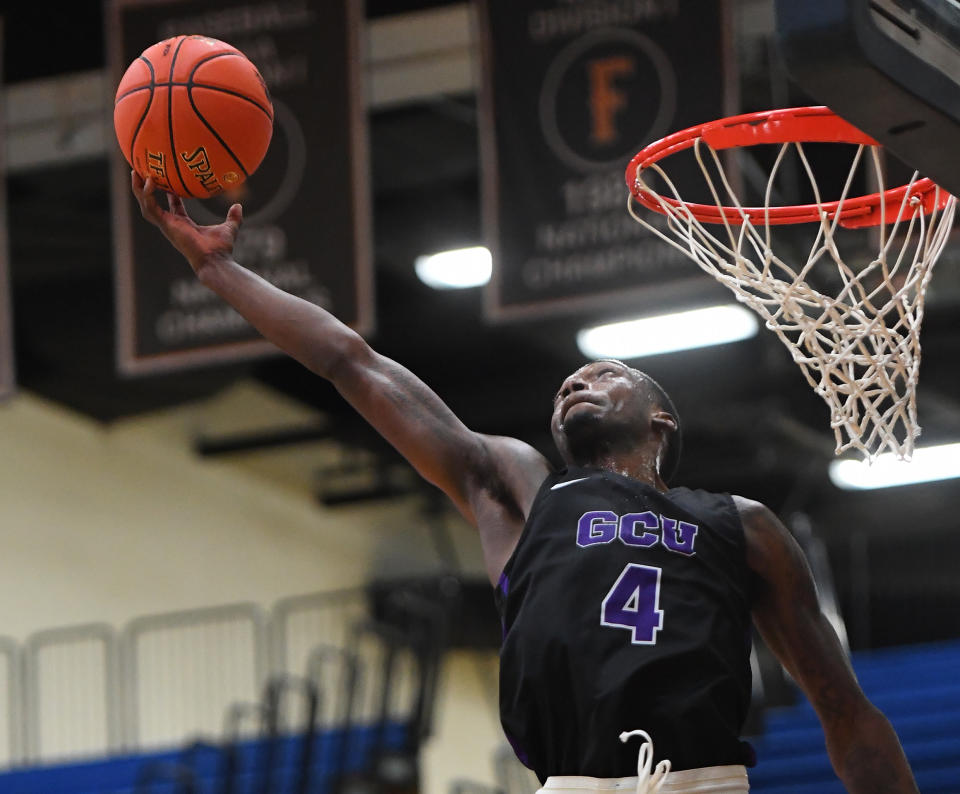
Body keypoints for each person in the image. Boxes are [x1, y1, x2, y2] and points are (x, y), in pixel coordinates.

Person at [131, 172, 919, 794]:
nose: (576, 381)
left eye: (606, 374)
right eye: (567, 384)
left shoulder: (740, 526)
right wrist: (220, 270)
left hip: (698, 782)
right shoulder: (519, 491)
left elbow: (842, 709)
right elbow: (351, 361)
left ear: (661, 423)